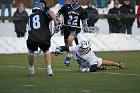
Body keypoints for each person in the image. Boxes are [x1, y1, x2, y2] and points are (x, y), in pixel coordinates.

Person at [27, 0, 58, 76]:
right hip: (43, 37)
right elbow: (50, 13)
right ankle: (49, 70)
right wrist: (56, 22)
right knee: (46, 51)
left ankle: (31, 69)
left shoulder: (30, 17)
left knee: (31, 51)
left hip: (32, 38)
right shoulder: (43, 12)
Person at [54, 40, 124, 73]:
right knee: (82, 68)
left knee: (102, 62)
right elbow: (66, 48)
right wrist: (58, 50)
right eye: (81, 47)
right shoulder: (78, 47)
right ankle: (100, 67)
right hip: (83, 63)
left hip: (88, 64)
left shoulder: (91, 56)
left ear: (87, 48)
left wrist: (87, 70)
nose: (80, 49)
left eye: (83, 48)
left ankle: (118, 64)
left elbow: (94, 69)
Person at [56, 0, 88, 66]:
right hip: (66, 28)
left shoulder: (81, 10)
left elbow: (84, 20)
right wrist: (58, 20)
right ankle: (70, 55)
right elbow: (58, 14)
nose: (75, 2)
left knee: (70, 39)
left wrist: (85, 26)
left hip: (75, 28)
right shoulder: (66, 7)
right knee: (66, 44)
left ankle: (68, 57)